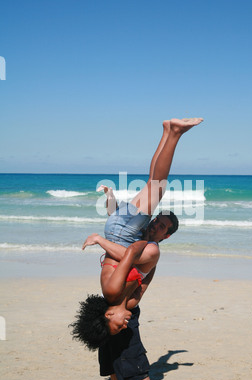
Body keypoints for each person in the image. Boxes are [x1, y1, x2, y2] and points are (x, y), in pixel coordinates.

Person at [71, 117, 203, 346]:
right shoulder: (126, 302)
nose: (124, 324)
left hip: (121, 236)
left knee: (158, 184)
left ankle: (176, 133)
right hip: (118, 229)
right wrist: (149, 263)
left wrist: (102, 240)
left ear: (108, 315)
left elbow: (129, 254)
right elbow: (143, 278)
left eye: (117, 325)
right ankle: (167, 131)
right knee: (153, 182)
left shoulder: (112, 293)